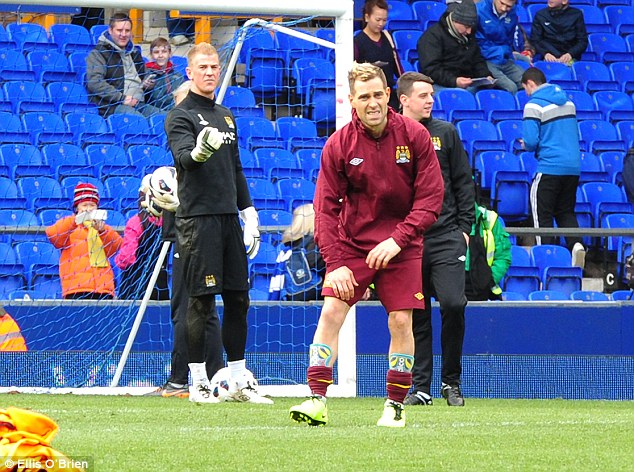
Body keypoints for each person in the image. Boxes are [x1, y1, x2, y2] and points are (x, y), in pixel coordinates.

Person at [289, 62, 444, 428]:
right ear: (351, 101)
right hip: (353, 247)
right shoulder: (339, 145)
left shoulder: (415, 136)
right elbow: (325, 209)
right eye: (364, 97)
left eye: (377, 94)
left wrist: (398, 240)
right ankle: (316, 399)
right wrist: (336, 262)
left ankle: (394, 405)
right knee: (330, 312)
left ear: (388, 95)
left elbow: (431, 200)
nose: (372, 103)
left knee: (400, 321)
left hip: (402, 245)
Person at [165, 41, 271, 404]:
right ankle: (198, 383)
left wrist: (249, 213)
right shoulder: (180, 115)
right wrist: (199, 151)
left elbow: (236, 169)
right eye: (204, 68)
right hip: (198, 220)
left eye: (214, 67)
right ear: (189, 73)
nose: (210, 72)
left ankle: (239, 378)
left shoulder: (226, 116)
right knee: (201, 302)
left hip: (229, 219)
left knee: (239, 299)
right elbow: (184, 160)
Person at [397, 72, 475, 408]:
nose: (430, 100)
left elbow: (463, 181)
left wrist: (465, 229)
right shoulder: (390, 135)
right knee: (417, 313)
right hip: (409, 238)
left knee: (454, 304)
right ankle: (421, 387)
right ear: (403, 99)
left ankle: (451, 382)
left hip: (446, 235)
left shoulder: (445, 133)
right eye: (423, 95)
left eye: (431, 94)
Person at [521, 67, 585, 267]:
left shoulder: (534, 105)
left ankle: (545, 260)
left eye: (525, 89)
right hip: (573, 167)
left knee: (542, 214)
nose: (526, 93)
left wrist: (524, 144)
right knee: (565, 211)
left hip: (550, 166)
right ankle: (576, 245)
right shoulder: (568, 102)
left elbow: (531, 141)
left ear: (530, 83)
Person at [46, 183, 123, 300]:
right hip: (77, 289)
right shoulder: (70, 225)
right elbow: (53, 235)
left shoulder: (102, 228)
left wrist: (102, 231)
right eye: (84, 205)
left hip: (103, 288)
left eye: (92, 205)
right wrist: (76, 220)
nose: (88, 209)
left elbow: (116, 245)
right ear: (77, 207)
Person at [86, 12, 165, 118]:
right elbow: (95, 83)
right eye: (119, 30)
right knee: (138, 121)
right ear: (110, 30)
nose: (123, 34)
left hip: (139, 104)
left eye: (127, 30)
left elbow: (144, 75)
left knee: (167, 119)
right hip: (113, 106)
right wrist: (122, 98)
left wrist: (148, 83)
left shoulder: (134, 52)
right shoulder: (99, 53)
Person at [417, 0, 494, 93]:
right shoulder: (431, 37)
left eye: (471, 27)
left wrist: (486, 76)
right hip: (440, 84)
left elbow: (477, 60)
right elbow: (431, 69)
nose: (469, 31)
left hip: (467, 83)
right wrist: (454, 81)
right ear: (455, 20)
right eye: (466, 26)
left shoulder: (468, 36)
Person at [114, 176, 169, 301]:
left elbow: (127, 258)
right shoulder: (167, 223)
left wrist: (119, 260)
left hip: (134, 285)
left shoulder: (136, 222)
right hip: (160, 284)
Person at [354, 0, 404, 110]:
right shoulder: (357, 41)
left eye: (384, 20)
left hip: (388, 96)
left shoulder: (388, 37)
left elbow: (398, 68)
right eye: (377, 19)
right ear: (367, 17)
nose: (381, 23)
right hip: (368, 96)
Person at [274, 203, 326, 301]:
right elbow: (324, 266)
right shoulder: (311, 244)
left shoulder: (287, 245)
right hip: (314, 297)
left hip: (291, 295)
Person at [476, 0, 526, 94]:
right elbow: (478, 42)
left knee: (527, 83)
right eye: (502, 3)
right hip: (487, 60)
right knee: (511, 88)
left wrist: (507, 53)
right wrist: (500, 51)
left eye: (508, 6)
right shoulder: (479, 11)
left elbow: (509, 38)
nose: (504, 8)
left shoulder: (513, 13)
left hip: (505, 59)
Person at [464, 203, 512, 301]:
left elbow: (503, 257)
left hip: (479, 288)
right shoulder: (440, 218)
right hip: (447, 286)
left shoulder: (490, 219)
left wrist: (487, 280)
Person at [530, 0, 588, 65]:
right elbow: (535, 40)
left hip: (570, 57)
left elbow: (582, 41)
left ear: (564, 1)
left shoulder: (577, 14)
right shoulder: (540, 15)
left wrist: (570, 54)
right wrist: (546, 53)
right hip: (547, 57)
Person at [144, 37, 186, 111]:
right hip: (156, 111)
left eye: (164, 51)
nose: (160, 55)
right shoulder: (147, 74)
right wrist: (146, 88)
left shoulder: (178, 76)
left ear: (169, 53)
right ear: (151, 55)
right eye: (156, 52)